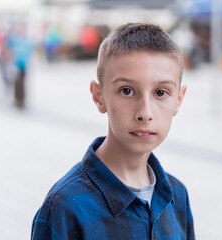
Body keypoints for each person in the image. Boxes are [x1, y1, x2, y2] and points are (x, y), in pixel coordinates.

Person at [31, 23, 195, 240]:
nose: (145, 113)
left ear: (178, 100)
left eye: (160, 92)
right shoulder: (66, 206)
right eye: (127, 91)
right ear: (99, 96)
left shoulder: (178, 196)